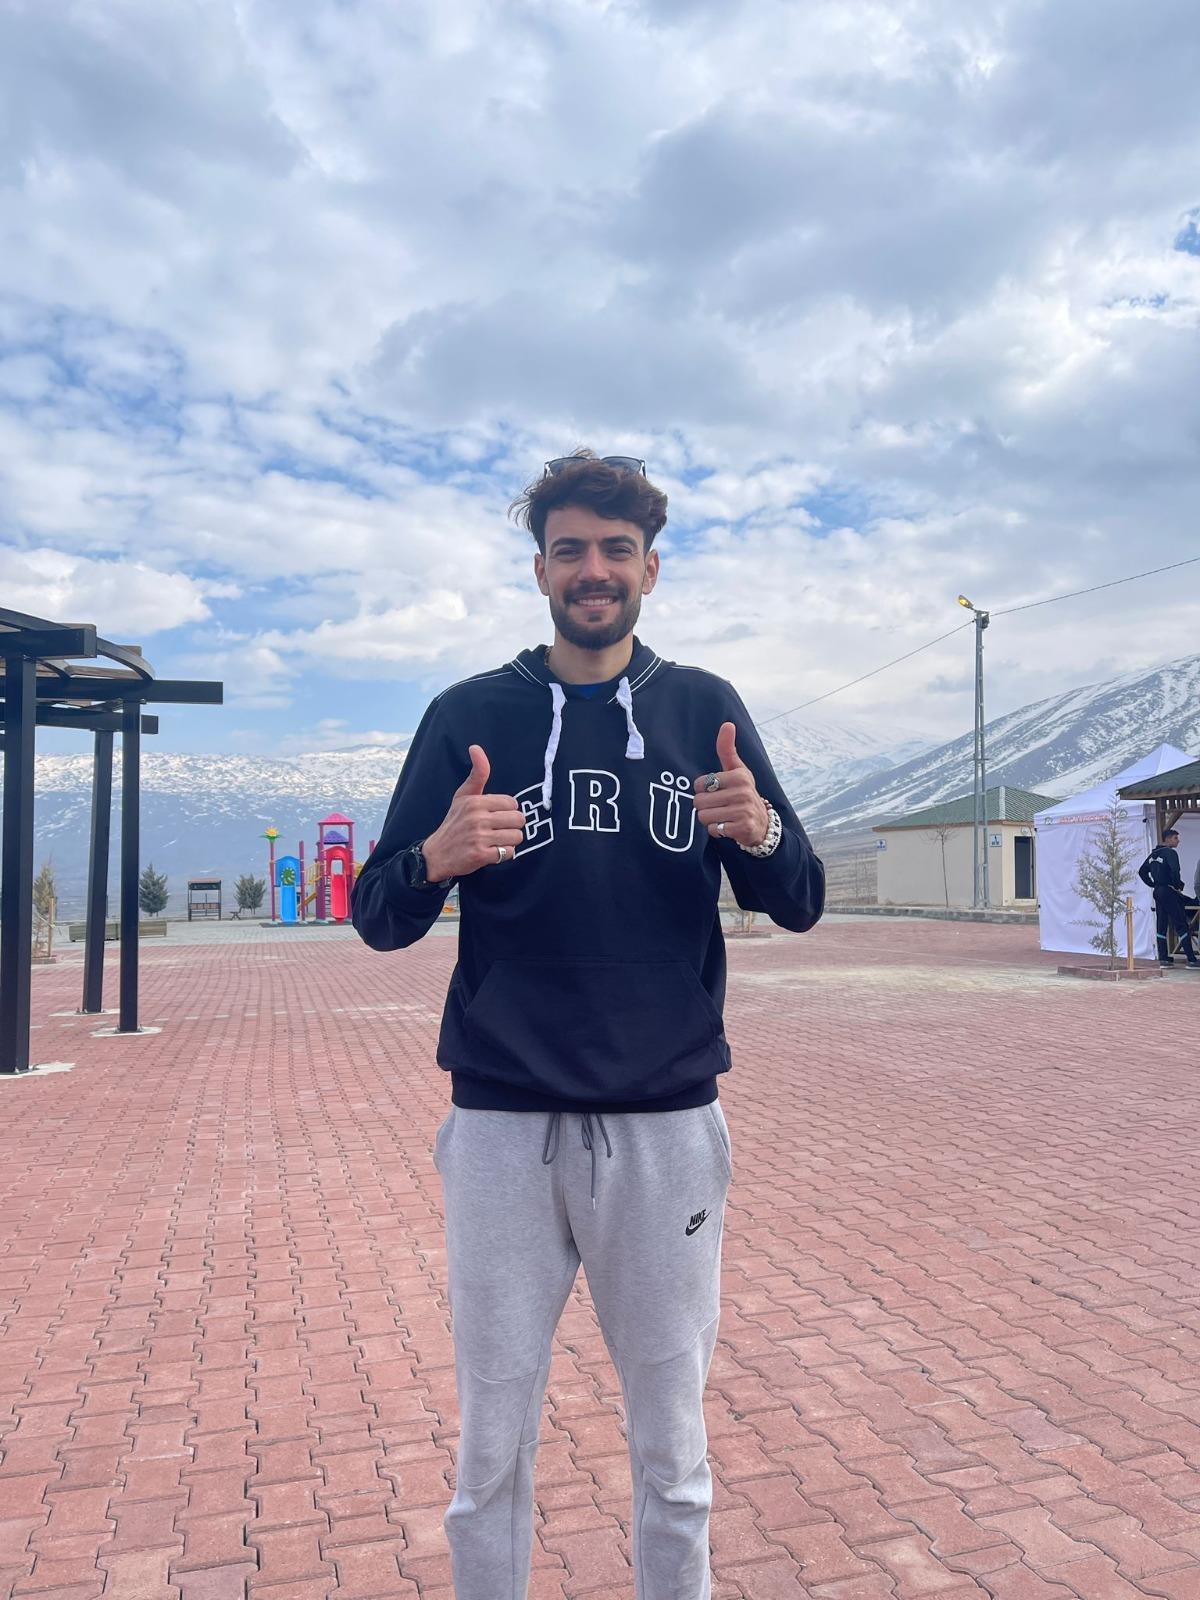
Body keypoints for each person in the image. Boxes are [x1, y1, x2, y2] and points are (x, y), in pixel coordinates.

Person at [352, 451, 824, 1600]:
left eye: (618, 549)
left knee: (674, 1455)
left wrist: (760, 831)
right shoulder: (469, 717)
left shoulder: (704, 710)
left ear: (651, 569)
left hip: (666, 1129)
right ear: (540, 571)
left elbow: (800, 897)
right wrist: (435, 857)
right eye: (571, 549)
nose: (594, 569)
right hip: (504, 1128)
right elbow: (377, 913)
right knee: (489, 1453)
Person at [1138, 826, 1199, 968]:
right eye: (1176, 838)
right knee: (1181, 923)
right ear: (1168, 839)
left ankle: (1164, 959)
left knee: (1162, 924)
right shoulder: (1170, 853)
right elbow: (1175, 870)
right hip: (1168, 891)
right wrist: (1177, 885)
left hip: (1158, 891)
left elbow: (1142, 871)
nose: (1178, 841)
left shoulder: (1153, 854)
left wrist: (1153, 884)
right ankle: (1192, 960)